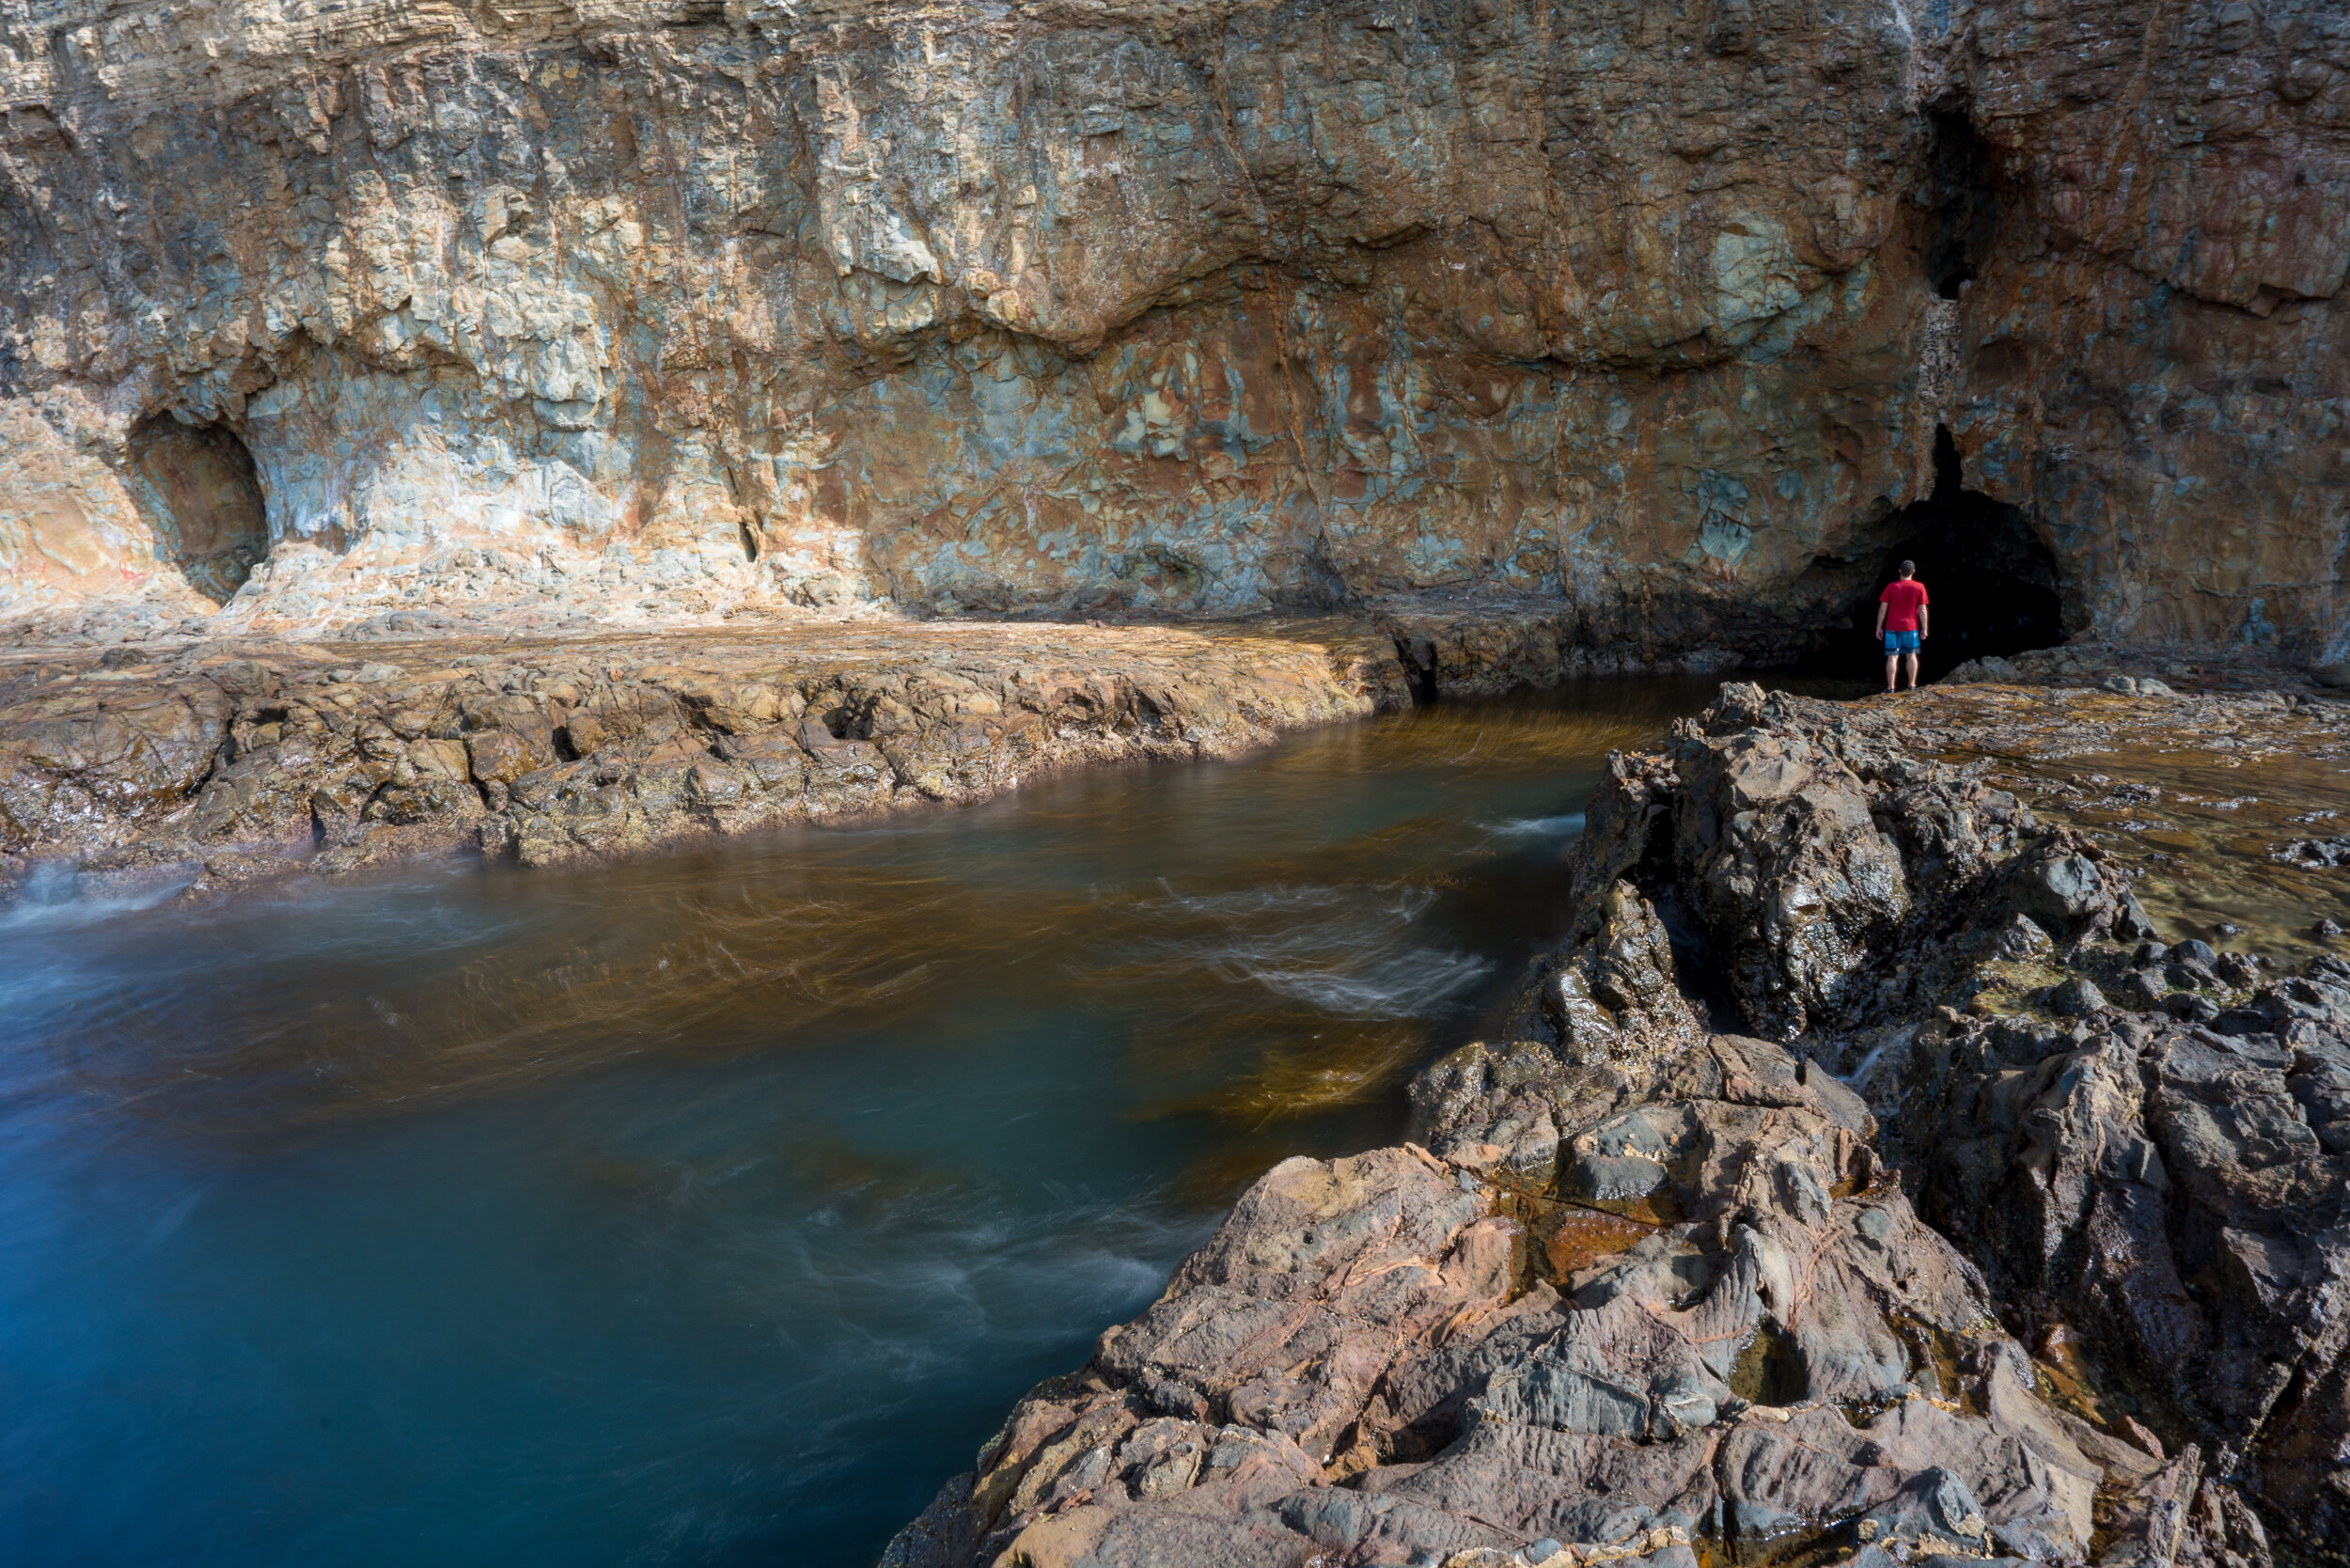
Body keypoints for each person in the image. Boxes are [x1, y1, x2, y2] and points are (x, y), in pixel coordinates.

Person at [1875, 560, 1930, 691]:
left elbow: (1883, 609)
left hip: (1892, 627)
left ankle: (1890, 687)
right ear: (1913, 572)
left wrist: (1878, 627)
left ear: (1899, 571)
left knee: (1892, 657)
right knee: (1911, 655)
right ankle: (1912, 685)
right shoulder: (1919, 587)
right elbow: (1922, 610)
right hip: (1911, 628)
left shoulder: (1891, 587)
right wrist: (1925, 628)